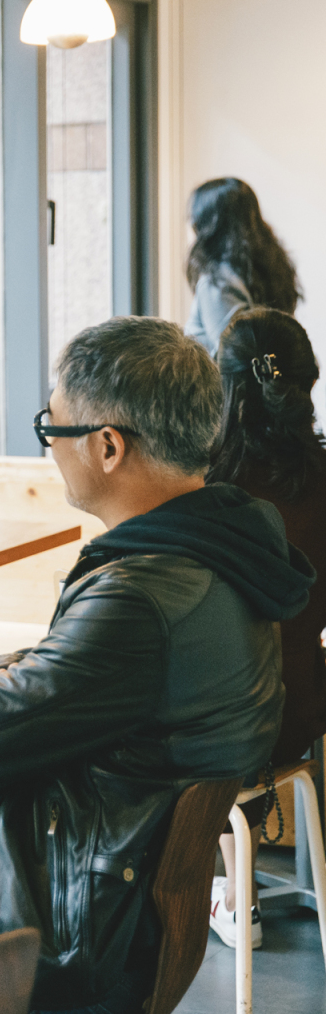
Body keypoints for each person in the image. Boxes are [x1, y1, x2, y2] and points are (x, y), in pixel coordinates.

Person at [0, 317, 312, 1014]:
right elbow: (40, 698)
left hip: (37, 914)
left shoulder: (140, 598)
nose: (49, 449)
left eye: (53, 429)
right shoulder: (224, 553)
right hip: (52, 871)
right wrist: (21, 673)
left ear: (107, 446)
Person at [205, 307, 326, 949]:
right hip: (303, 712)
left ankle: (228, 892)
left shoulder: (202, 487)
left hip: (223, 733)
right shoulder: (323, 479)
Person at [183, 177, 301, 354]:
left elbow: (233, 360)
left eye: (193, 218)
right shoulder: (270, 269)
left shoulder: (218, 282)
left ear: (208, 223)